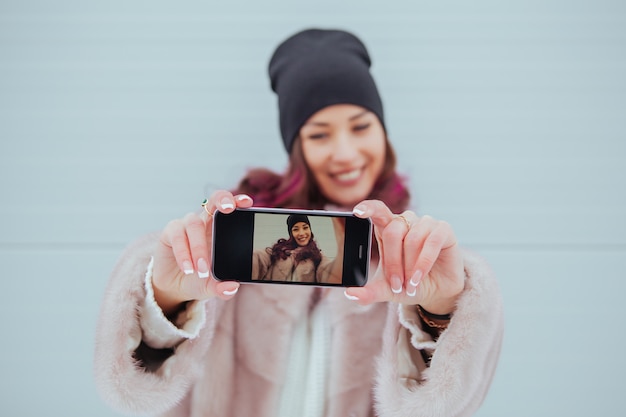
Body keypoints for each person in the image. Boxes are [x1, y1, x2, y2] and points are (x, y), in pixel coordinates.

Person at [94, 28, 504, 417]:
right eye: (320, 134)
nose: (344, 153)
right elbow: (136, 387)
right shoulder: (231, 245)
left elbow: (444, 406)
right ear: (297, 147)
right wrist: (164, 298)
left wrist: (439, 311)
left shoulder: (412, 258)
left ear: (383, 132)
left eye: (361, 127)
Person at [252, 214, 344, 284]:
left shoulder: (317, 256)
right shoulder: (277, 251)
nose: (301, 233)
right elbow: (259, 258)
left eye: (305, 228)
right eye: (296, 229)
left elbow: (327, 271)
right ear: (291, 233)